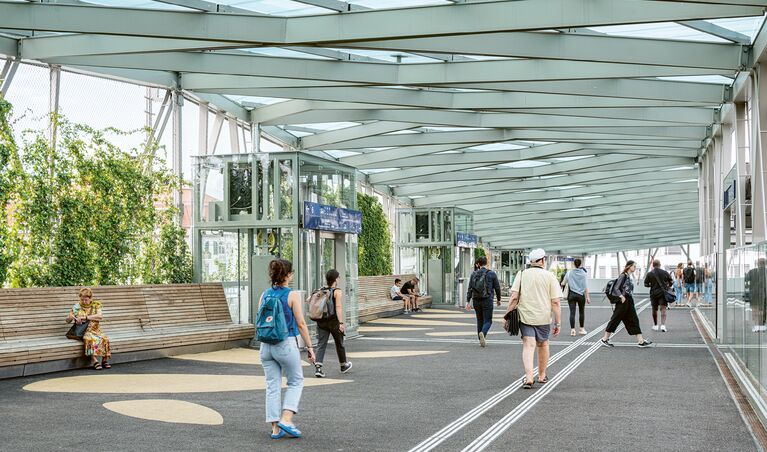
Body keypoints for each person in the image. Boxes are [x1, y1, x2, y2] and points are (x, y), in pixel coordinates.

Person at [259, 259, 316, 440]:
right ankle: (287, 418)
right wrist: (309, 347)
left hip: (265, 346)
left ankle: (275, 429)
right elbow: (300, 323)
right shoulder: (291, 295)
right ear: (288, 275)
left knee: (272, 385)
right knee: (296, 381)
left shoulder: (264, 295)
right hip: (285, 343)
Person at [506, 248, 562, 389]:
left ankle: (529, 377)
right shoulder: (549, 276)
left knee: (528, 345)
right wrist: (558, 323)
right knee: (543, 344)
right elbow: (555, 302)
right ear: (542, 260)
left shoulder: (522, 274)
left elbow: (514, 297)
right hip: (543, 317)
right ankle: (542, 375)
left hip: (525, 316)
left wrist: (507, 315)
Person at [601, 261, 653, 348]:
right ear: (629, 266)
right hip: (623, 301)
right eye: (634, 266)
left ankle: (641, 341)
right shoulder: (623, 275)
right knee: (615, 319)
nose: (635, 268)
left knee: (633, 319)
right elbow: (617, 288)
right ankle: (604, 339)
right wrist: (621, 296)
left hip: (629, 300)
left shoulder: (628, 276)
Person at [314, 269, 353, 378]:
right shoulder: (337, 291)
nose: (339, 278)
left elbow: (309, 300)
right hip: (333, 321)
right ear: (336, 279)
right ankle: (343, 365)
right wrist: (341, 322)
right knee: (339, 342)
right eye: (339, 277)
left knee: (321, 344)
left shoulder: (321, 290)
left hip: (321, 321)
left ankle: (318, 368)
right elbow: (338, 307)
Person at [66, 288, 112, 370]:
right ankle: (94, 361)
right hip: (84, 330)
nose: (83, 302)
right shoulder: (77, 306)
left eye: (86, 300)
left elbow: (100, 316)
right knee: (89, 339)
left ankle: (104, 360)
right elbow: (67, 320)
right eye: (82, 299)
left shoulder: (96, 305)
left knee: (105, 339)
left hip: (95, 329)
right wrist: (71, 317)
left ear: (90, 298)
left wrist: (85, 317)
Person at [465, 256, 501, 347]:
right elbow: (497, 287)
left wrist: (468, 301)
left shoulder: (474, 274)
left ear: (478, 264)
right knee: (488, 320)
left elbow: (470, 289)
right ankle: (483, 333)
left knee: (479, 319)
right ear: (487, 263)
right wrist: (498, 299)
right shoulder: (492, 274)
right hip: (487, 300)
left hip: (476, 300)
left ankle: (480, 338)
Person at [644, 259, 673, 332]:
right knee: (663, 309)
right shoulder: (665, 272)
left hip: (653, 293)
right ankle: (663, 326)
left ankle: (655, 325)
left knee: (654, 309)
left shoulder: (650, 274)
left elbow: (646, 284)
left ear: (653, 265)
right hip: (663, 293)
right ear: (659, 265)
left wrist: (651, 285)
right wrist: (668, 286)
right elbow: (671, 281)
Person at [564, 258, 590, 336]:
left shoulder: (569, 273)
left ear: (574, 264)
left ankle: (572, 330)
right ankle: (581, 329)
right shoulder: (584, 274)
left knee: (572, 312)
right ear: (580, 264)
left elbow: (563, 283)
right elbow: (585, 286)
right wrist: (588, 297)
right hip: (581, 295)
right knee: (581, 312)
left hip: (571, 295)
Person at [745, 258, 767, 333]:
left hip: (754, 294)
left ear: (758, 264)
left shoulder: (752, 271)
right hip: (765, 294)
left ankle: (757, 326)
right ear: (765, 264)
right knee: (763, 310)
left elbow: (746, 280)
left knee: (755, 310)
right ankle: (762, 325)